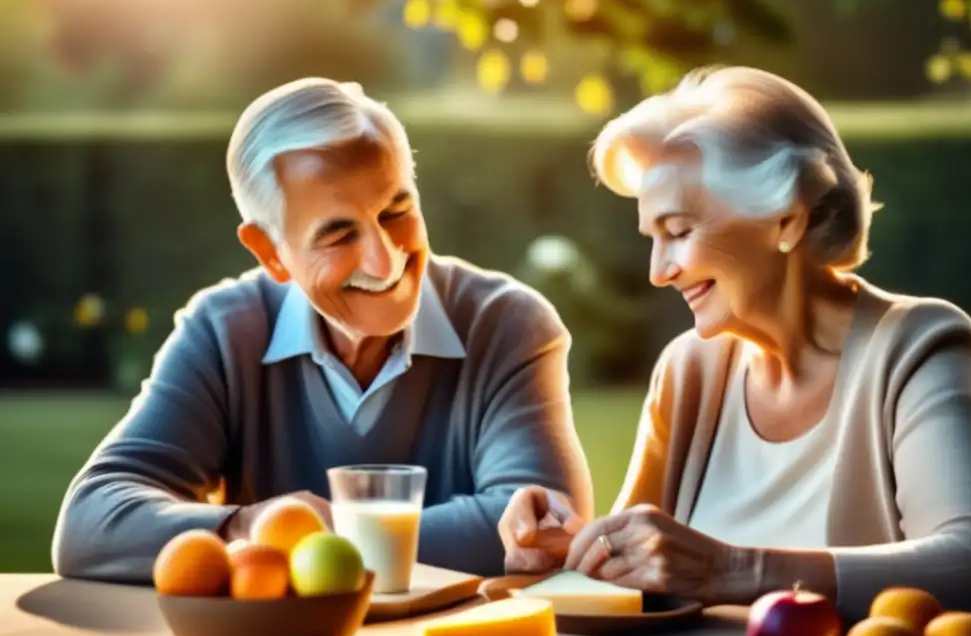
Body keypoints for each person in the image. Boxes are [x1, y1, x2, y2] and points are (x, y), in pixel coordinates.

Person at [500, 65, 971, 636]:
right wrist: (571, 550)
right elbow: (637, 569)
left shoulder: (914, 346)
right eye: (652, 238)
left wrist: (731, 569)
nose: (658, 272)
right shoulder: (688, 370)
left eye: (678, 231)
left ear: (786, 220)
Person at [51, 78, 593, 582]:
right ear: (270, 253)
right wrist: (252, 527)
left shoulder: (508, 324)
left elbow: (540, 524)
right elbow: (91, 522)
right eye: (338, 236)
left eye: (396, 211)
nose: (386, 261)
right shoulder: (223, 332)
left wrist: (318, 535)